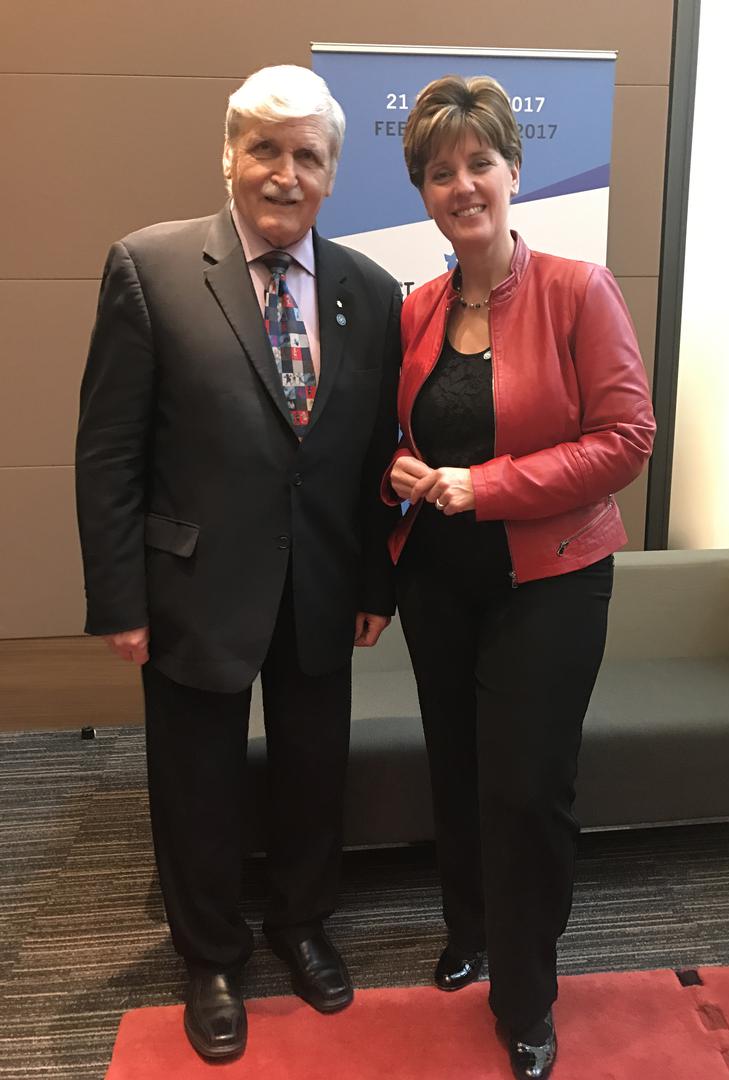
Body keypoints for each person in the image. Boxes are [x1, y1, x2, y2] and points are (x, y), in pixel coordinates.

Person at [75, 65, 401, 1062]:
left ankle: (302, 927)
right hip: (193, 589)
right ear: (229, 154)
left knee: (312, 775)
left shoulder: (372, 290)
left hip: (321, 589)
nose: (285, 171)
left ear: (334, 172)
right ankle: (209, 957)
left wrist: (374, 584)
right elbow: (109, 452)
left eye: (309, 154)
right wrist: (119, 599)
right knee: (197, 784)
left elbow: (372, 455)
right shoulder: (150, 267)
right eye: (266, 146)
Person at [383, 75, 655, 1080]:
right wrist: (403, 472)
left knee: (527, 789)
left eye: (479, 163)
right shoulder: (413, 310)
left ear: (514, 171)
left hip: (552, 582)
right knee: (457, 770)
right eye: (440, 171)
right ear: (424, 191)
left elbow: (629, 438)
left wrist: (482, 484)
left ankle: (528, 995)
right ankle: (472, 930)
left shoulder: (581, 289)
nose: (463, 184)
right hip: (439, 586)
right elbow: (393, 441)